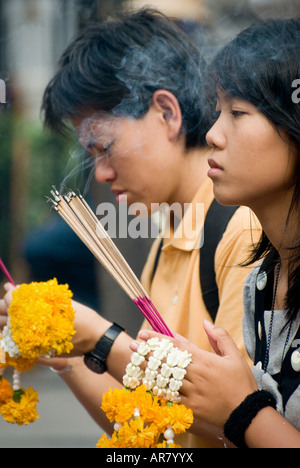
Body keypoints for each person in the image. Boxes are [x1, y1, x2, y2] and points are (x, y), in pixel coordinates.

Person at [0, 9, 260, 448]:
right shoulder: (166, 238)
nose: (100, 174)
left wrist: (100, 338)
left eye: (105, 148)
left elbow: (240, 422)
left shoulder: (241, 234)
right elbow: (152, 420)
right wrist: (67, 349)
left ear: (166, 113)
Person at [132, 18, 300, 448]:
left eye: (238, 113)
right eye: (218, 110)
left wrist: (241, 410)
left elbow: (246, 417)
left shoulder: (230, 240)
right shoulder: (261, 280)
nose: (211, 134)